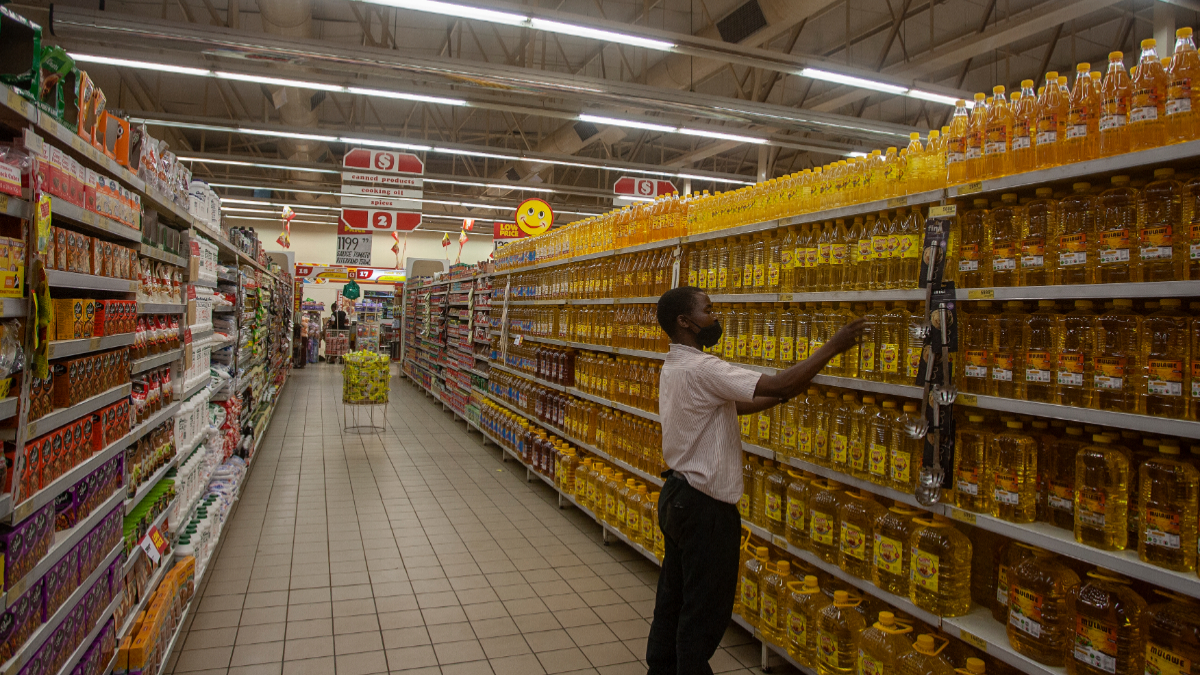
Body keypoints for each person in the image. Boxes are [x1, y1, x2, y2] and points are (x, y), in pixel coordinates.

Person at [646, 286, 864, 675]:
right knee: (704, 613)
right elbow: (779, 384)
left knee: (674, 600)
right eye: (708, 310)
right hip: (704, 507)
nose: (714, 317)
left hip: (678, 496)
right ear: (685, 322)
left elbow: (743, 405)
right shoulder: (702, 368)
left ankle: (660, 670)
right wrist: (833, 346)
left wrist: (791, 390)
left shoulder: (677, 365)